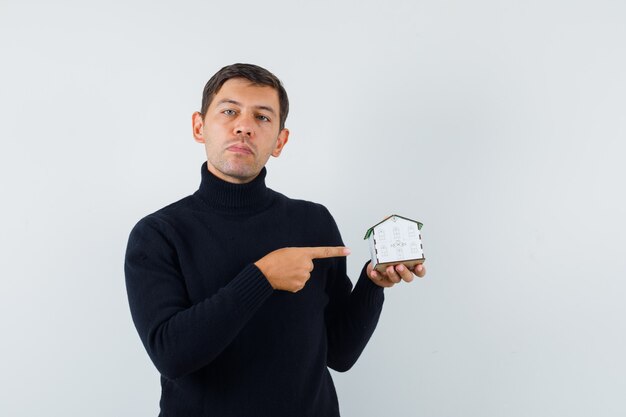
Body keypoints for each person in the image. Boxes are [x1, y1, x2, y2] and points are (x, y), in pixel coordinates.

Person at [124, 63, 426, 417]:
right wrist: (262, 276)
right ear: (199, 127)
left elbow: (341, 353)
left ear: (280, 141)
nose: (244, 126)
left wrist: (373, 284)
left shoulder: (312, 221)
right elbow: (171, 356)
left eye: (263, 118)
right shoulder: (158, 233)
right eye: (229, 111)